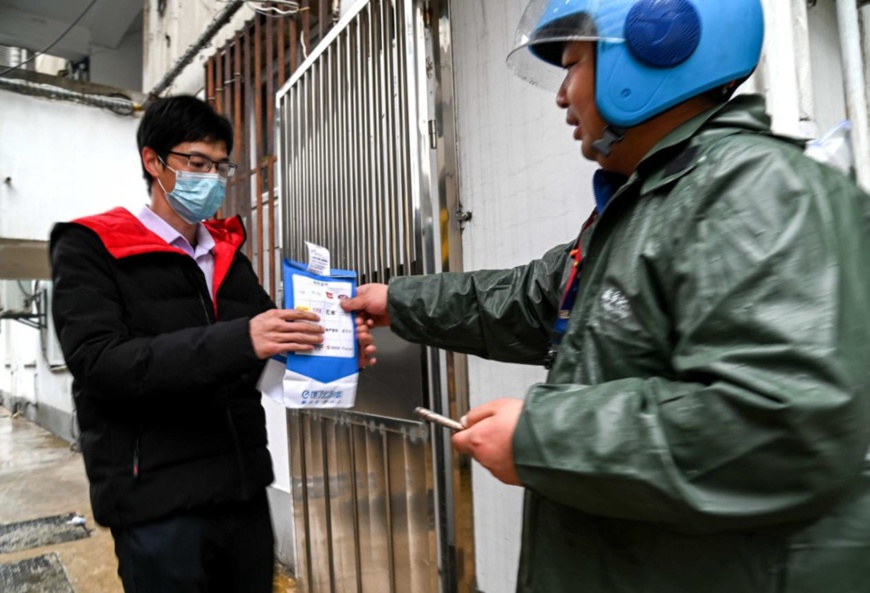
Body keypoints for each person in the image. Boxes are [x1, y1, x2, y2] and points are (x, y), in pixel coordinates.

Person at [341, 1, 870, 591]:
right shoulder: (651, 200)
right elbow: (530, 298)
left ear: (655, 47)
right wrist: (398, 301)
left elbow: (780, 424)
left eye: (571, 65)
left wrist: (539, 437)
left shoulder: (756, 190)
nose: (562, 95)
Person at [50, 95, 374, 593]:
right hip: (156, 499)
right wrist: (243, 338)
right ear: (153, 161)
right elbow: (102, 364)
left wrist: (330, 348)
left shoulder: (228, 256)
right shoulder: (92, 247)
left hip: (240, 488)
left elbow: (265, 355)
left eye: (220, 166)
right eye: (196, 163)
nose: (211, 178)